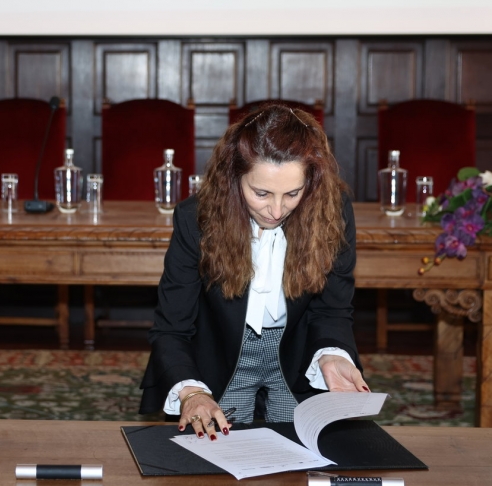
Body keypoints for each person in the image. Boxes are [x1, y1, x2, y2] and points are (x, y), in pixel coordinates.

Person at [139, 103, 369, 440]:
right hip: (220, 358)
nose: (276, 210)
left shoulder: (333, 212)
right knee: (215, 460)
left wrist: (332, 355)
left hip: (297, 355)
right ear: (234, 178)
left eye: (293, 193)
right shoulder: (196, 220)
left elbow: (332, 310)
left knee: (309, 455)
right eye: (261, 193)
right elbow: (171, 328)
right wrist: (192, 392)